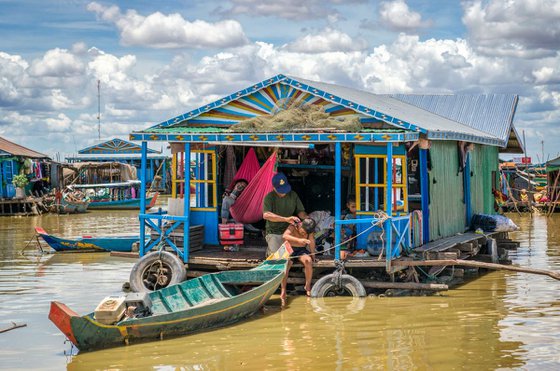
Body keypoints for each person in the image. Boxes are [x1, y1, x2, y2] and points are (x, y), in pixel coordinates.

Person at [263, 172, 307, 256]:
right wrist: (286, 219)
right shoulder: (269, 197)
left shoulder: (293, 195)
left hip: (289, 231)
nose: (283, 192)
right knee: (277, 258)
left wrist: (307, 219)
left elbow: (301, 212)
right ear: (274, 187)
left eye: (285, 189)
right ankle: (270, 251)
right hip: (274, 232)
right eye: (280, 190)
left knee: (296, 253)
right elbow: (266, 215)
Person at [281, 217, 317, 301]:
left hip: (301, 250)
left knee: (308, 261)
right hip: (289, 249)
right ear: (301, 225)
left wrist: (313, 255)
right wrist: (299, 240)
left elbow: (311, 242)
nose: (304, 234)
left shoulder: (310, 231)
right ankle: (283, 290)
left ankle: (307, 287)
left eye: (306, 234)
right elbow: (285, 236)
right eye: (303, 232)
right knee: (287, 264)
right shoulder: (293, 226)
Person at [340, 195, 357, 260]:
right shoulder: (347, 215)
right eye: (353, 207)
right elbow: (349, 227)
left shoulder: (362, 215)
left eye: (357, 207)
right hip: (347, 233)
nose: (355, 209)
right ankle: (343, 249)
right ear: (348, 205)